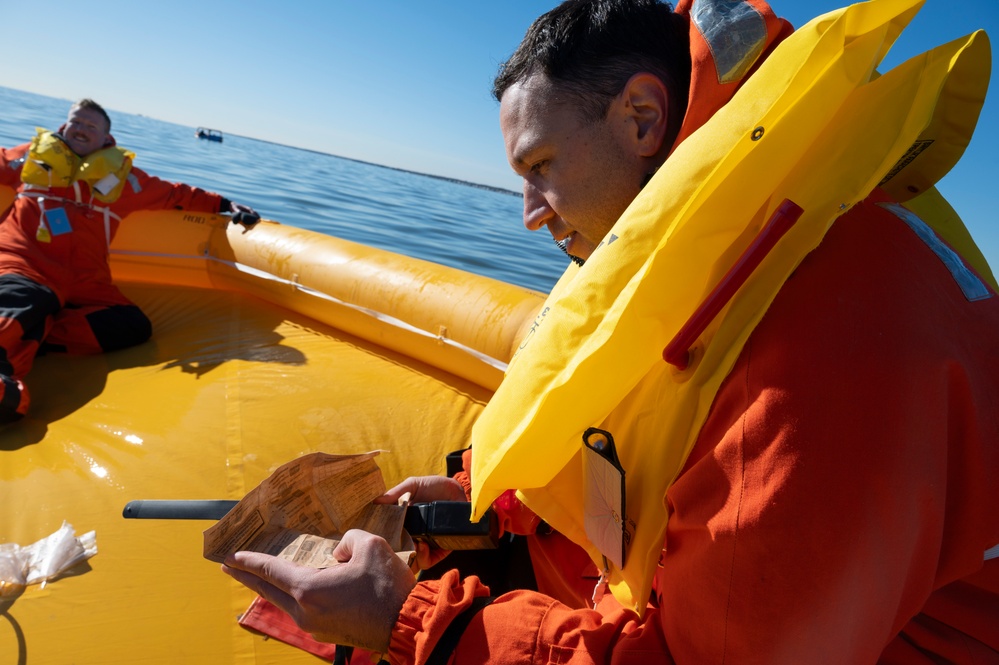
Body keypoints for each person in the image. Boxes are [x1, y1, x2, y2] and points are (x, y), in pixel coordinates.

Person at [221, 1, 999, 663]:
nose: (527, 212)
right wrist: (481, 504)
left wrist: (408, 619)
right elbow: (634, 439)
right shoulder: (720, 247)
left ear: (641, 118)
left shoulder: (832, 346)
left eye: (541, 165)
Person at [0, 98, 258, 424]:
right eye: (76, 122)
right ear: (64, 126)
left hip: (86, 282)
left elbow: (174, 194)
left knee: (131, 326)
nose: (81, 129)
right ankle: (5, 380)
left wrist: (226, 203)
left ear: (106, 138)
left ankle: (36, 335)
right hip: (24, 261)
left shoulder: (126, 180)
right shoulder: (30, 157)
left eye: (91, 126)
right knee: (27, 300)